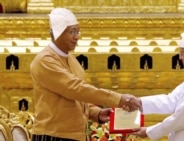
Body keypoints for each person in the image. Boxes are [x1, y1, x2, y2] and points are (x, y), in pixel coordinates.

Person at [30, 8, 141, 141]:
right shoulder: (45, 60)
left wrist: (96, 113)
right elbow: (74, 88)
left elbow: (78, 98)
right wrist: (118, 99)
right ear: (57, 34)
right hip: (53, 136)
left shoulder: (71, 59)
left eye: (77, 31)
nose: (77, 36)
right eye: (72, 32)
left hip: (77, 136)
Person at [130, 29, 184, 141]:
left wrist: (149, 131)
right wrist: (139, 103)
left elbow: (180, 120)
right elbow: (171, 100)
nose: (180, 58)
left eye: (182, 53)